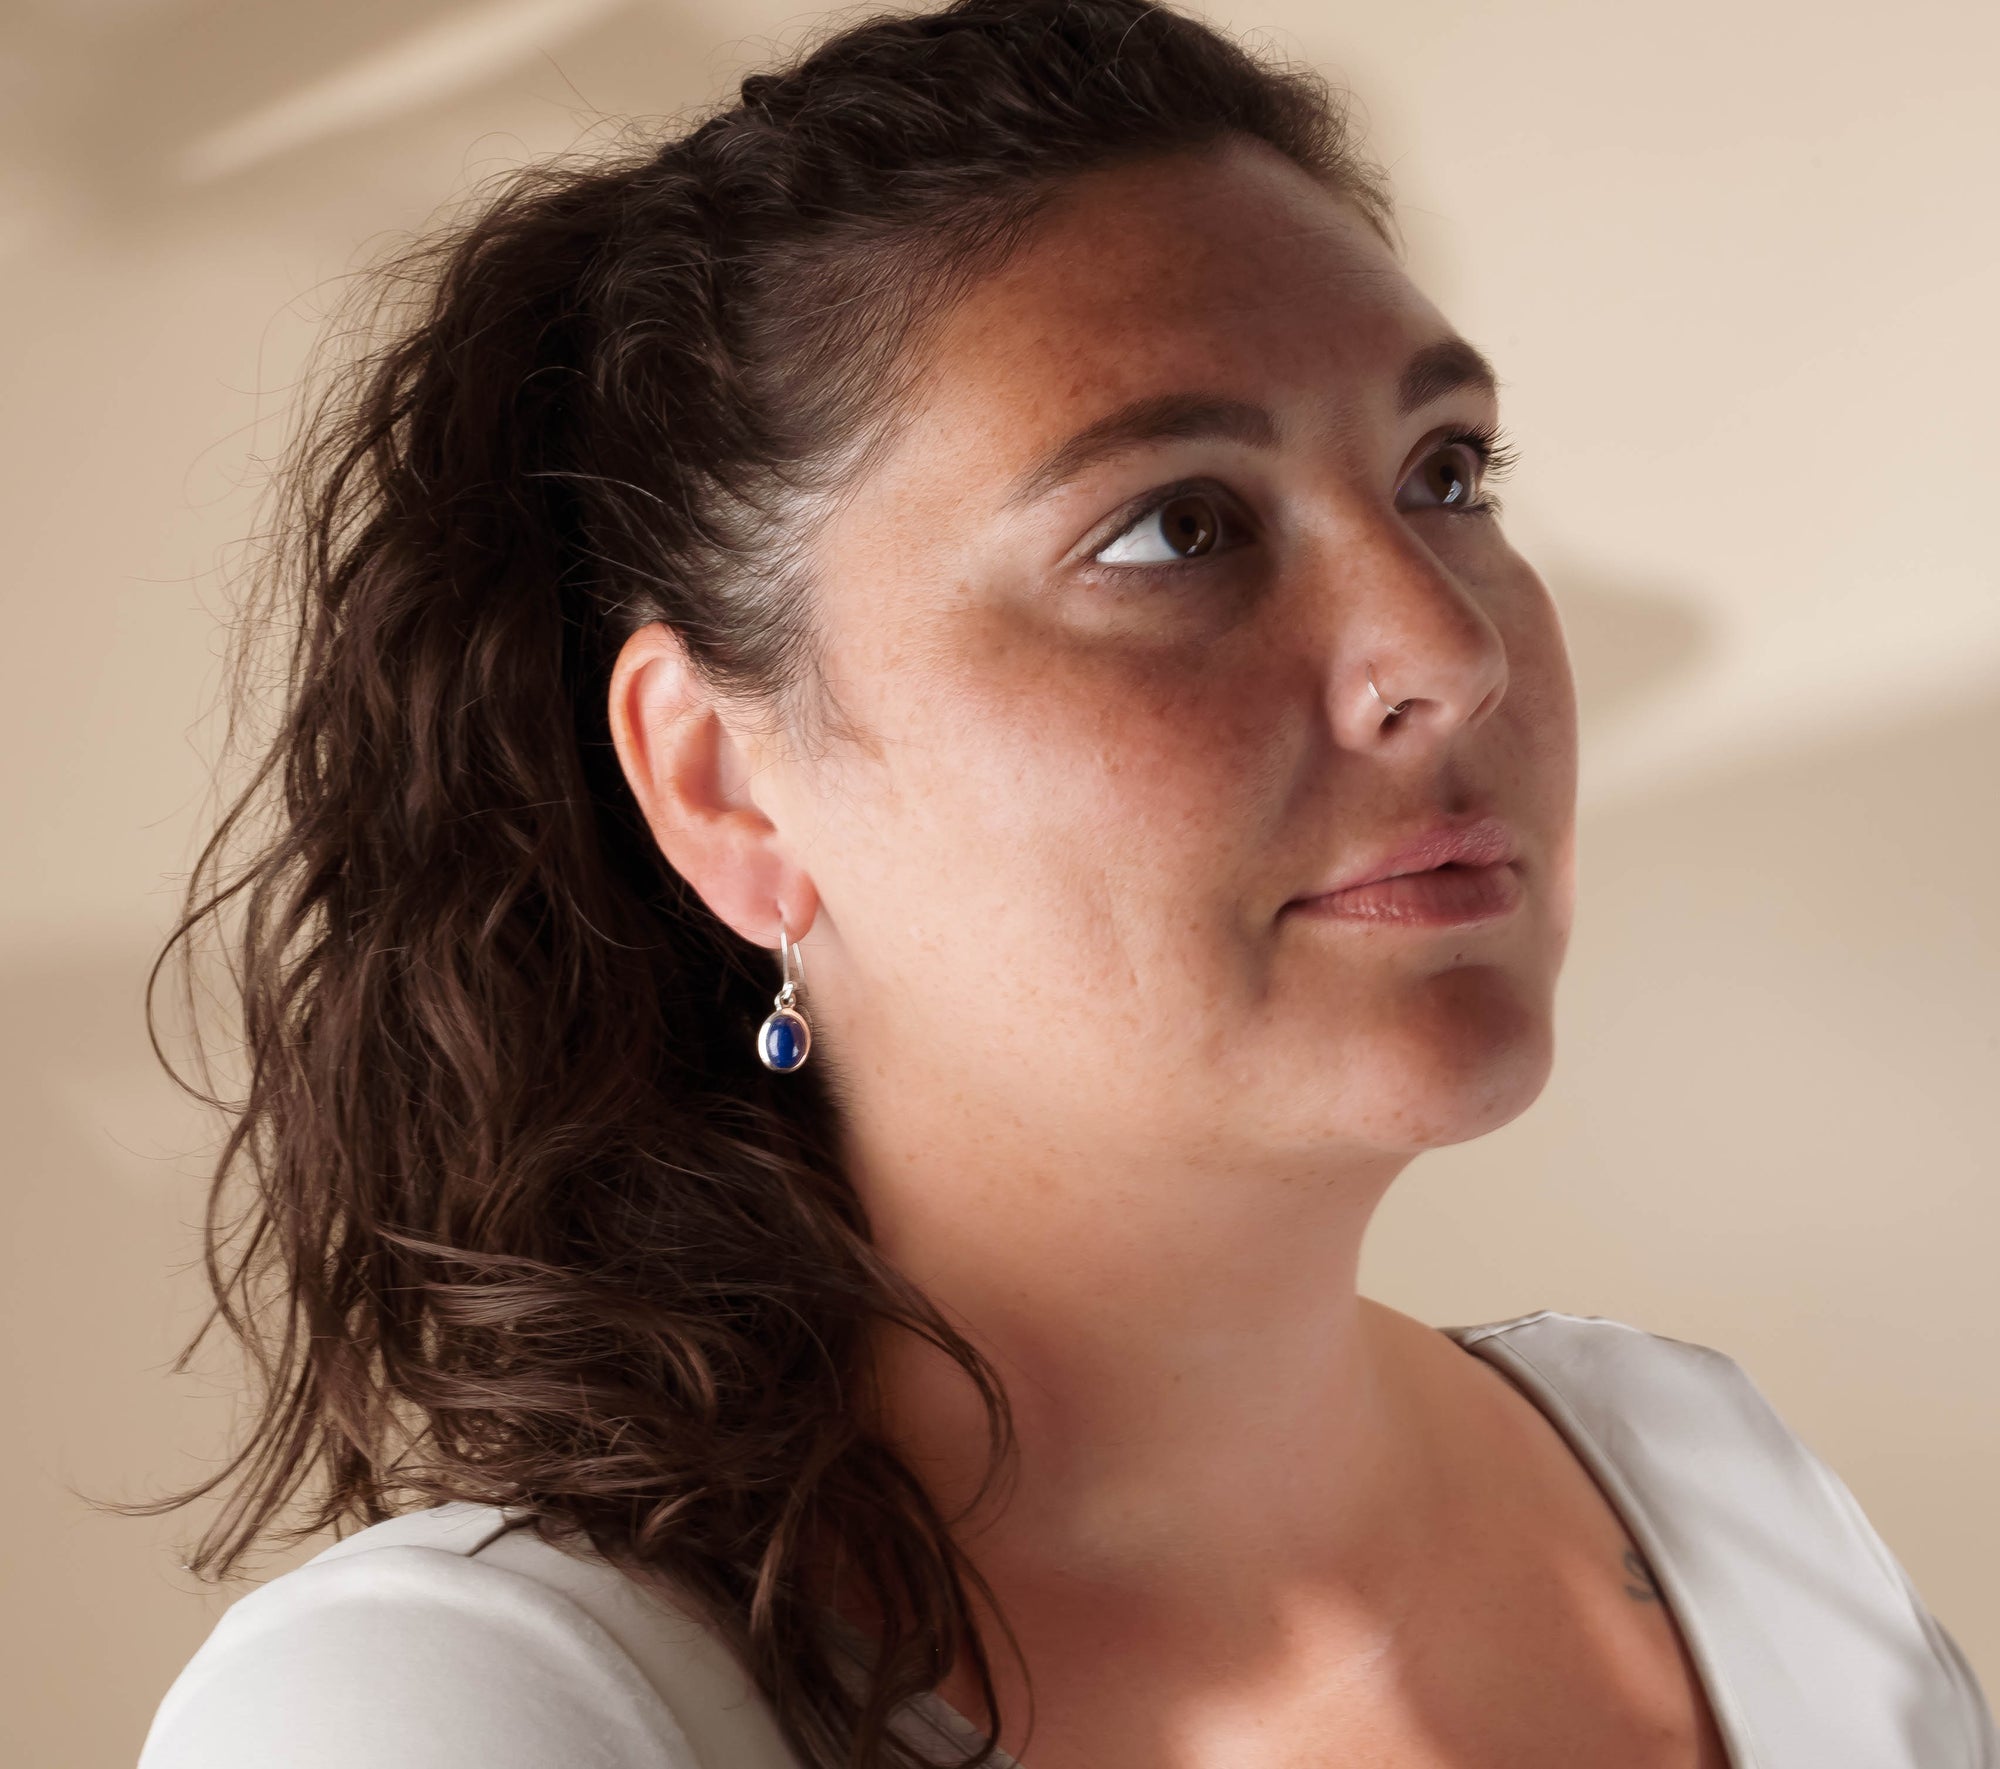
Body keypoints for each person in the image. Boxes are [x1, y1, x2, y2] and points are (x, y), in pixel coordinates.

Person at [133, 2, 1994, 1765]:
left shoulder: (1716, 1490)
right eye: (1178, 525)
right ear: (725, 781)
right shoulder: (456, 1710)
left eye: (1447, 472)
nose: (1450, 649)